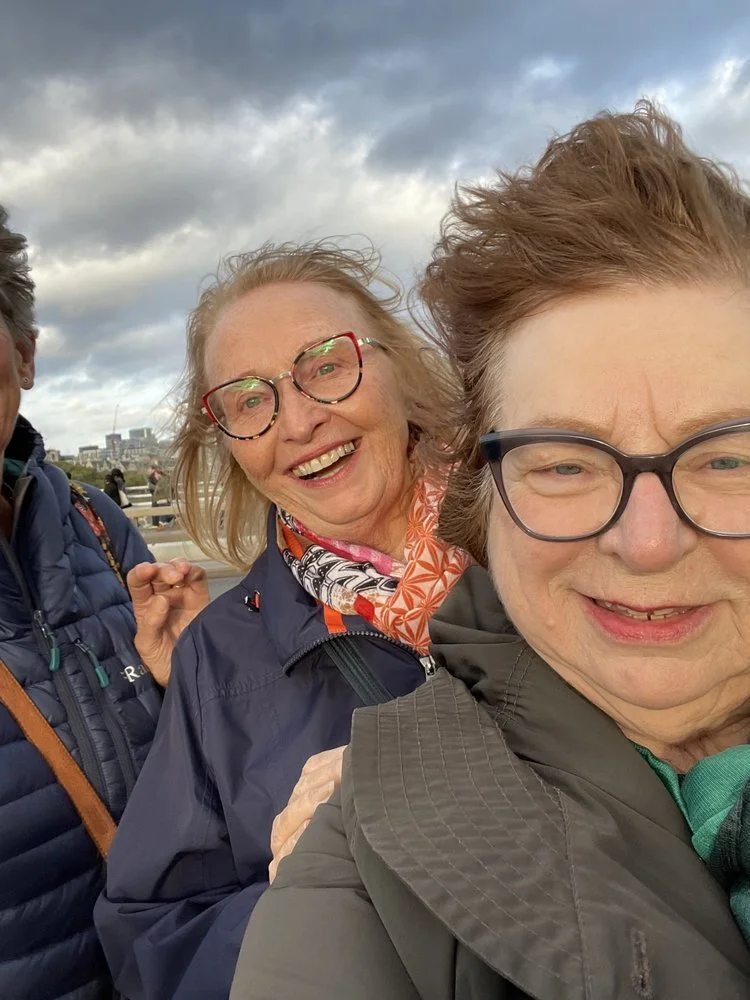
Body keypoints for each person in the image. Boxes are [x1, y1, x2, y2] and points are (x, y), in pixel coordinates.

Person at [232, 104, 750, 999]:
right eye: (564, 465)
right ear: (490, 487)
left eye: (729, 457)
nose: (650, 541)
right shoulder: (363, 841)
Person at [94, 240, 472, 999]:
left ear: (399, 363)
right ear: (228, 444)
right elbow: (154, 935)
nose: (297, 420)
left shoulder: (554, 539)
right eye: (249, 400)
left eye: (326, 364)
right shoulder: (217, 658)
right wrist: (322, 895)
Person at [0, 209, 209, 1000]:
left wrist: (188, 675)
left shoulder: (96, 522)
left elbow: (196, 755)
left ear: (23, 354)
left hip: (175, 962)